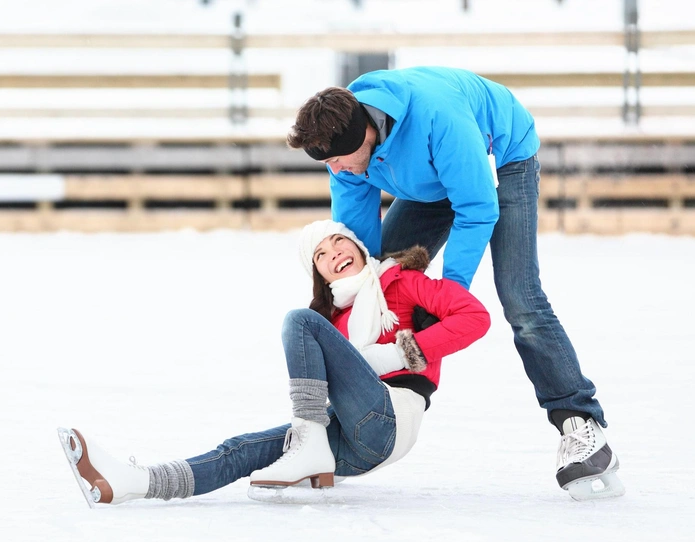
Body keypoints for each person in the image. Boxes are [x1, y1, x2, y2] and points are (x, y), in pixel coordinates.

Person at [286, 67, 624, 500]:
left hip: (503, 158)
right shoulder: (341, 140)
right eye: (327, 162)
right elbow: (361, 255)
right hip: (434, 177)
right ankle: (369, 398)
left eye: (337, 160)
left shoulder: (437, 118)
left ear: (365, 134)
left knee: (521, 298)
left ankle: (580, 424)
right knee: (381, 279)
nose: (335, 169)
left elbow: (477, 208)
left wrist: (451, 293)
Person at [58, 219, 490, 506]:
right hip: (358, 445)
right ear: (320, 274)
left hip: (393, 415)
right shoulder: (332, 322)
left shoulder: (403, 282)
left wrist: (400, 353)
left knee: (298, 321)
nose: (334, 251)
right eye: (320, 254)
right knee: (241, 449)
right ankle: (137, 483)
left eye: (338, 239)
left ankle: (309, 443)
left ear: (357, 245)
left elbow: (475, 317)